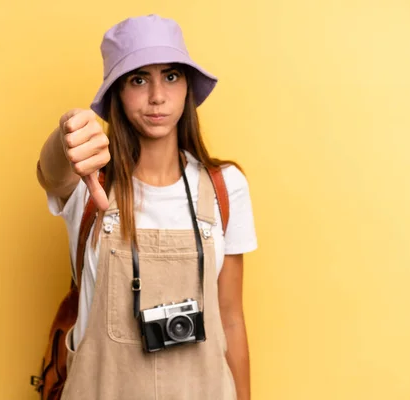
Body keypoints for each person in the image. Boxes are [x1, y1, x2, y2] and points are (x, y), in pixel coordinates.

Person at [37, 14, 258, 400]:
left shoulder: (225, 187)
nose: (158, 95)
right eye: (139, 80)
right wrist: (67, 134)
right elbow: (51, 174)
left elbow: (232, 318)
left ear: (187, 87)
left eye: (171, 76)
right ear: (117, 93)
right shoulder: (91, 183)